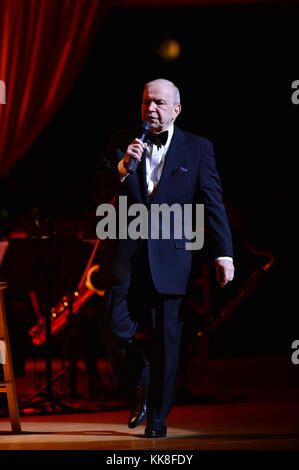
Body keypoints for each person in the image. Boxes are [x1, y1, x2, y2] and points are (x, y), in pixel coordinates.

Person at [91, 78, 234, 438]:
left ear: (176, 109)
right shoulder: (122, 140)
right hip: (126, 252)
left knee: (167, 341)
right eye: (145, 102)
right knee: (114, 326)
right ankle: (142, 380)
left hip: (170, 256)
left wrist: (224, 253)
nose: (150, 109)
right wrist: (123, 167)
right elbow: (96, 188)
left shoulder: (198, 148)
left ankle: (157, 416)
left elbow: (213, 203)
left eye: (158, 103)